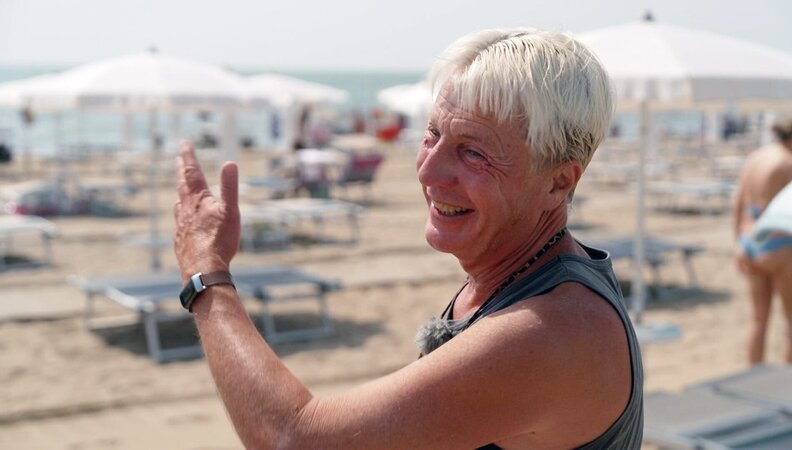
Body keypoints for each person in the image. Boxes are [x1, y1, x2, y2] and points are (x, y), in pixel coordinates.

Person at [174, 28, 643, 449]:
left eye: (473, 152)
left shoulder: (553, 329)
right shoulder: (515, 277)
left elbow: (292, 438)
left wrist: (206, 272)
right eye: (432, 134)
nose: (428, 169)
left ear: (559, 182)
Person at [734, 116, 792, 365]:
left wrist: (738, 244)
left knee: (758, 320)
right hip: (779, 244)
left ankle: (754, 374)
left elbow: (738, 204)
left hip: (749, 242)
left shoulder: (756, 158)